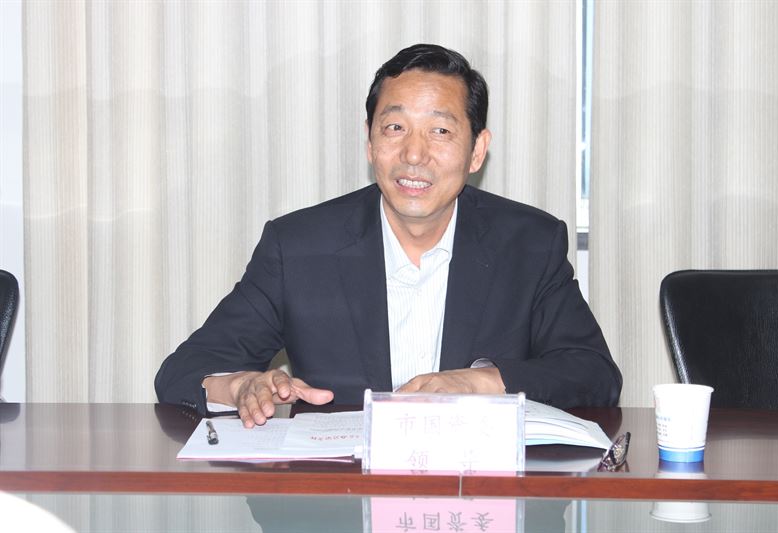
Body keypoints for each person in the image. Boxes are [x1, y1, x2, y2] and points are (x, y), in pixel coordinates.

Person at [155, 44, 622, 427]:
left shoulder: (530, 244)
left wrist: (478, 382)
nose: (414, 154)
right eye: (395, 128)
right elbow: (183, 371)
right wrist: (240, 386)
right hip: (341, 493)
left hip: (478, 489)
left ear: (477, 150)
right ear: (370, 141)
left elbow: (594, 375)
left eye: (440, 130)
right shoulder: (297, 246)